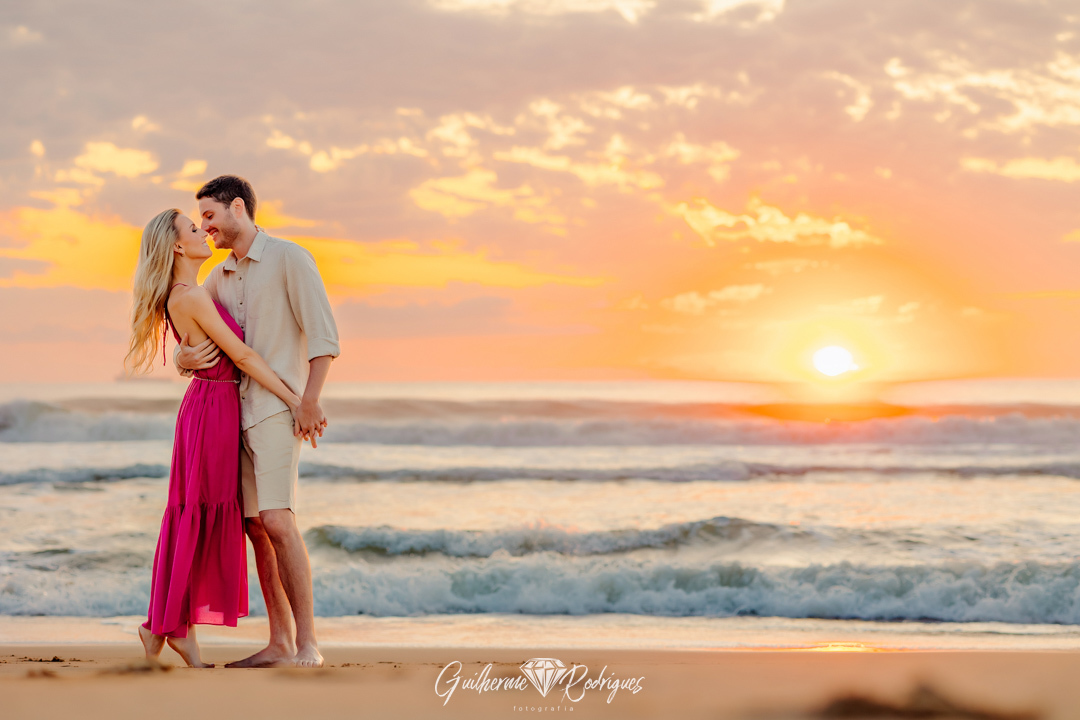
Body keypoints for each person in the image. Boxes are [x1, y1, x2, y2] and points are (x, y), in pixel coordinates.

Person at [126, 208, 304, 668]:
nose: (203, 230)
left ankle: (165, 626)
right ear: (178, 248)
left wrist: (184, 359)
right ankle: (166, 625)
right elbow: (242, 354)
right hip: (212, 410)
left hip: (214, 406)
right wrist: (293, 398)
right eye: (192, 228)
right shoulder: (190, 296)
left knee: (197, 514)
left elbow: (209, 351)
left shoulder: (192, 292)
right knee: (196, 515)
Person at [175, 175, 339, 669]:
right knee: (254, 526)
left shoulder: (290, 257)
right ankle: (280, 642)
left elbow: (324, 337)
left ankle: (309, 643)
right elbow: (196, 335)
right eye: (198, 219)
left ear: (238, 208)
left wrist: (309, 400)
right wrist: (184, 360)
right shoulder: (217, 278)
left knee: (277, 519)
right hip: (233, 413)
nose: (204, 228)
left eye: (209, 216)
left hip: (277, 409)